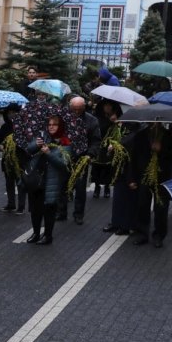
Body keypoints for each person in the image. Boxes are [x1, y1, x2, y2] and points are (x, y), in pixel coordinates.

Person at [24, 115, 72, 246]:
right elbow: (29, 150)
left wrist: (49, 154)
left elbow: (63, 164)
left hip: (51, 181)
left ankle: (48, 235)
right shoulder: (43, 136)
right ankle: (35, 233)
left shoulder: (66, 142)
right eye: (49, 124)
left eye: (54, 125)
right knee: (35, 209)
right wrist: (36, 144)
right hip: (36, 179)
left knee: (48, 210)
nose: (51, 127)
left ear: (60, 126)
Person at [66, 97, 101, 225]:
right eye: (74, 109)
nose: (76, 112)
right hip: (65, 156)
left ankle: (78, 214)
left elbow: (96, 140)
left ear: (84, 108)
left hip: (82, 157)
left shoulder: (92, 120)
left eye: (79, 109)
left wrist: (90, 154)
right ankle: (61, 211)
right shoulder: (64, 117)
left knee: (80, 187)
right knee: (63, 185)